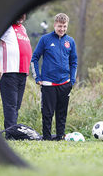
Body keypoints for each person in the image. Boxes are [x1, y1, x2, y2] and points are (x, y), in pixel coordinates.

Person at [31, 13, 78, 141]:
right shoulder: (45, 39)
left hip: (65, 83)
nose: (62, 29)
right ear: (54, 25)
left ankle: (59, 138)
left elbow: (74, 62)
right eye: (59, 26)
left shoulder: (70, 41)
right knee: (47, 113)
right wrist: (37, 77)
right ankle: (46, 138)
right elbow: (34, 58)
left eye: (64, 26)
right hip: (48, 84)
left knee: (62, 114)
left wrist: (72, 80)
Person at [0, 13, 32, 139]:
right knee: (10, 106)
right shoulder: (6, 27)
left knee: (16, 105)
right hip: (9, 71)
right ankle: (10, 135)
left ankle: (12, 132)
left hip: (22, 72)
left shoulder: (22, 28)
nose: (21, 17)